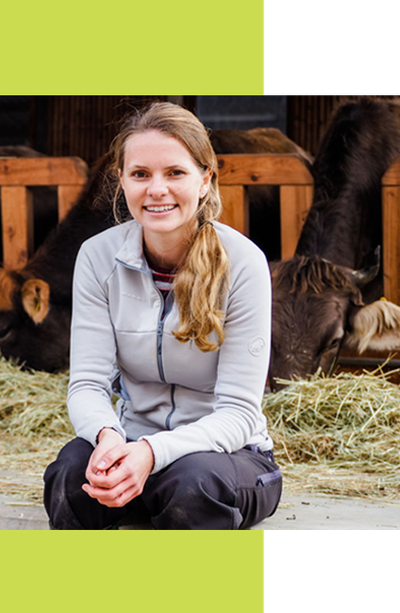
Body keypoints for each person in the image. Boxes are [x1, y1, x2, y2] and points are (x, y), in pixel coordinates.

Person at [43, 101, 282, 529]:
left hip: (225, 457)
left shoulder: (243, 263)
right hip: (130, 443)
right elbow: (87, 385)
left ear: (205, 180)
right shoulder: (97, 258)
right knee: (70, 475)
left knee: (191, 484)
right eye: (140, 174)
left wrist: (152, 453)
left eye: (175, 173)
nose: (157, 189)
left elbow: (239, 414)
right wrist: (108, 438)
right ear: (121, 181)